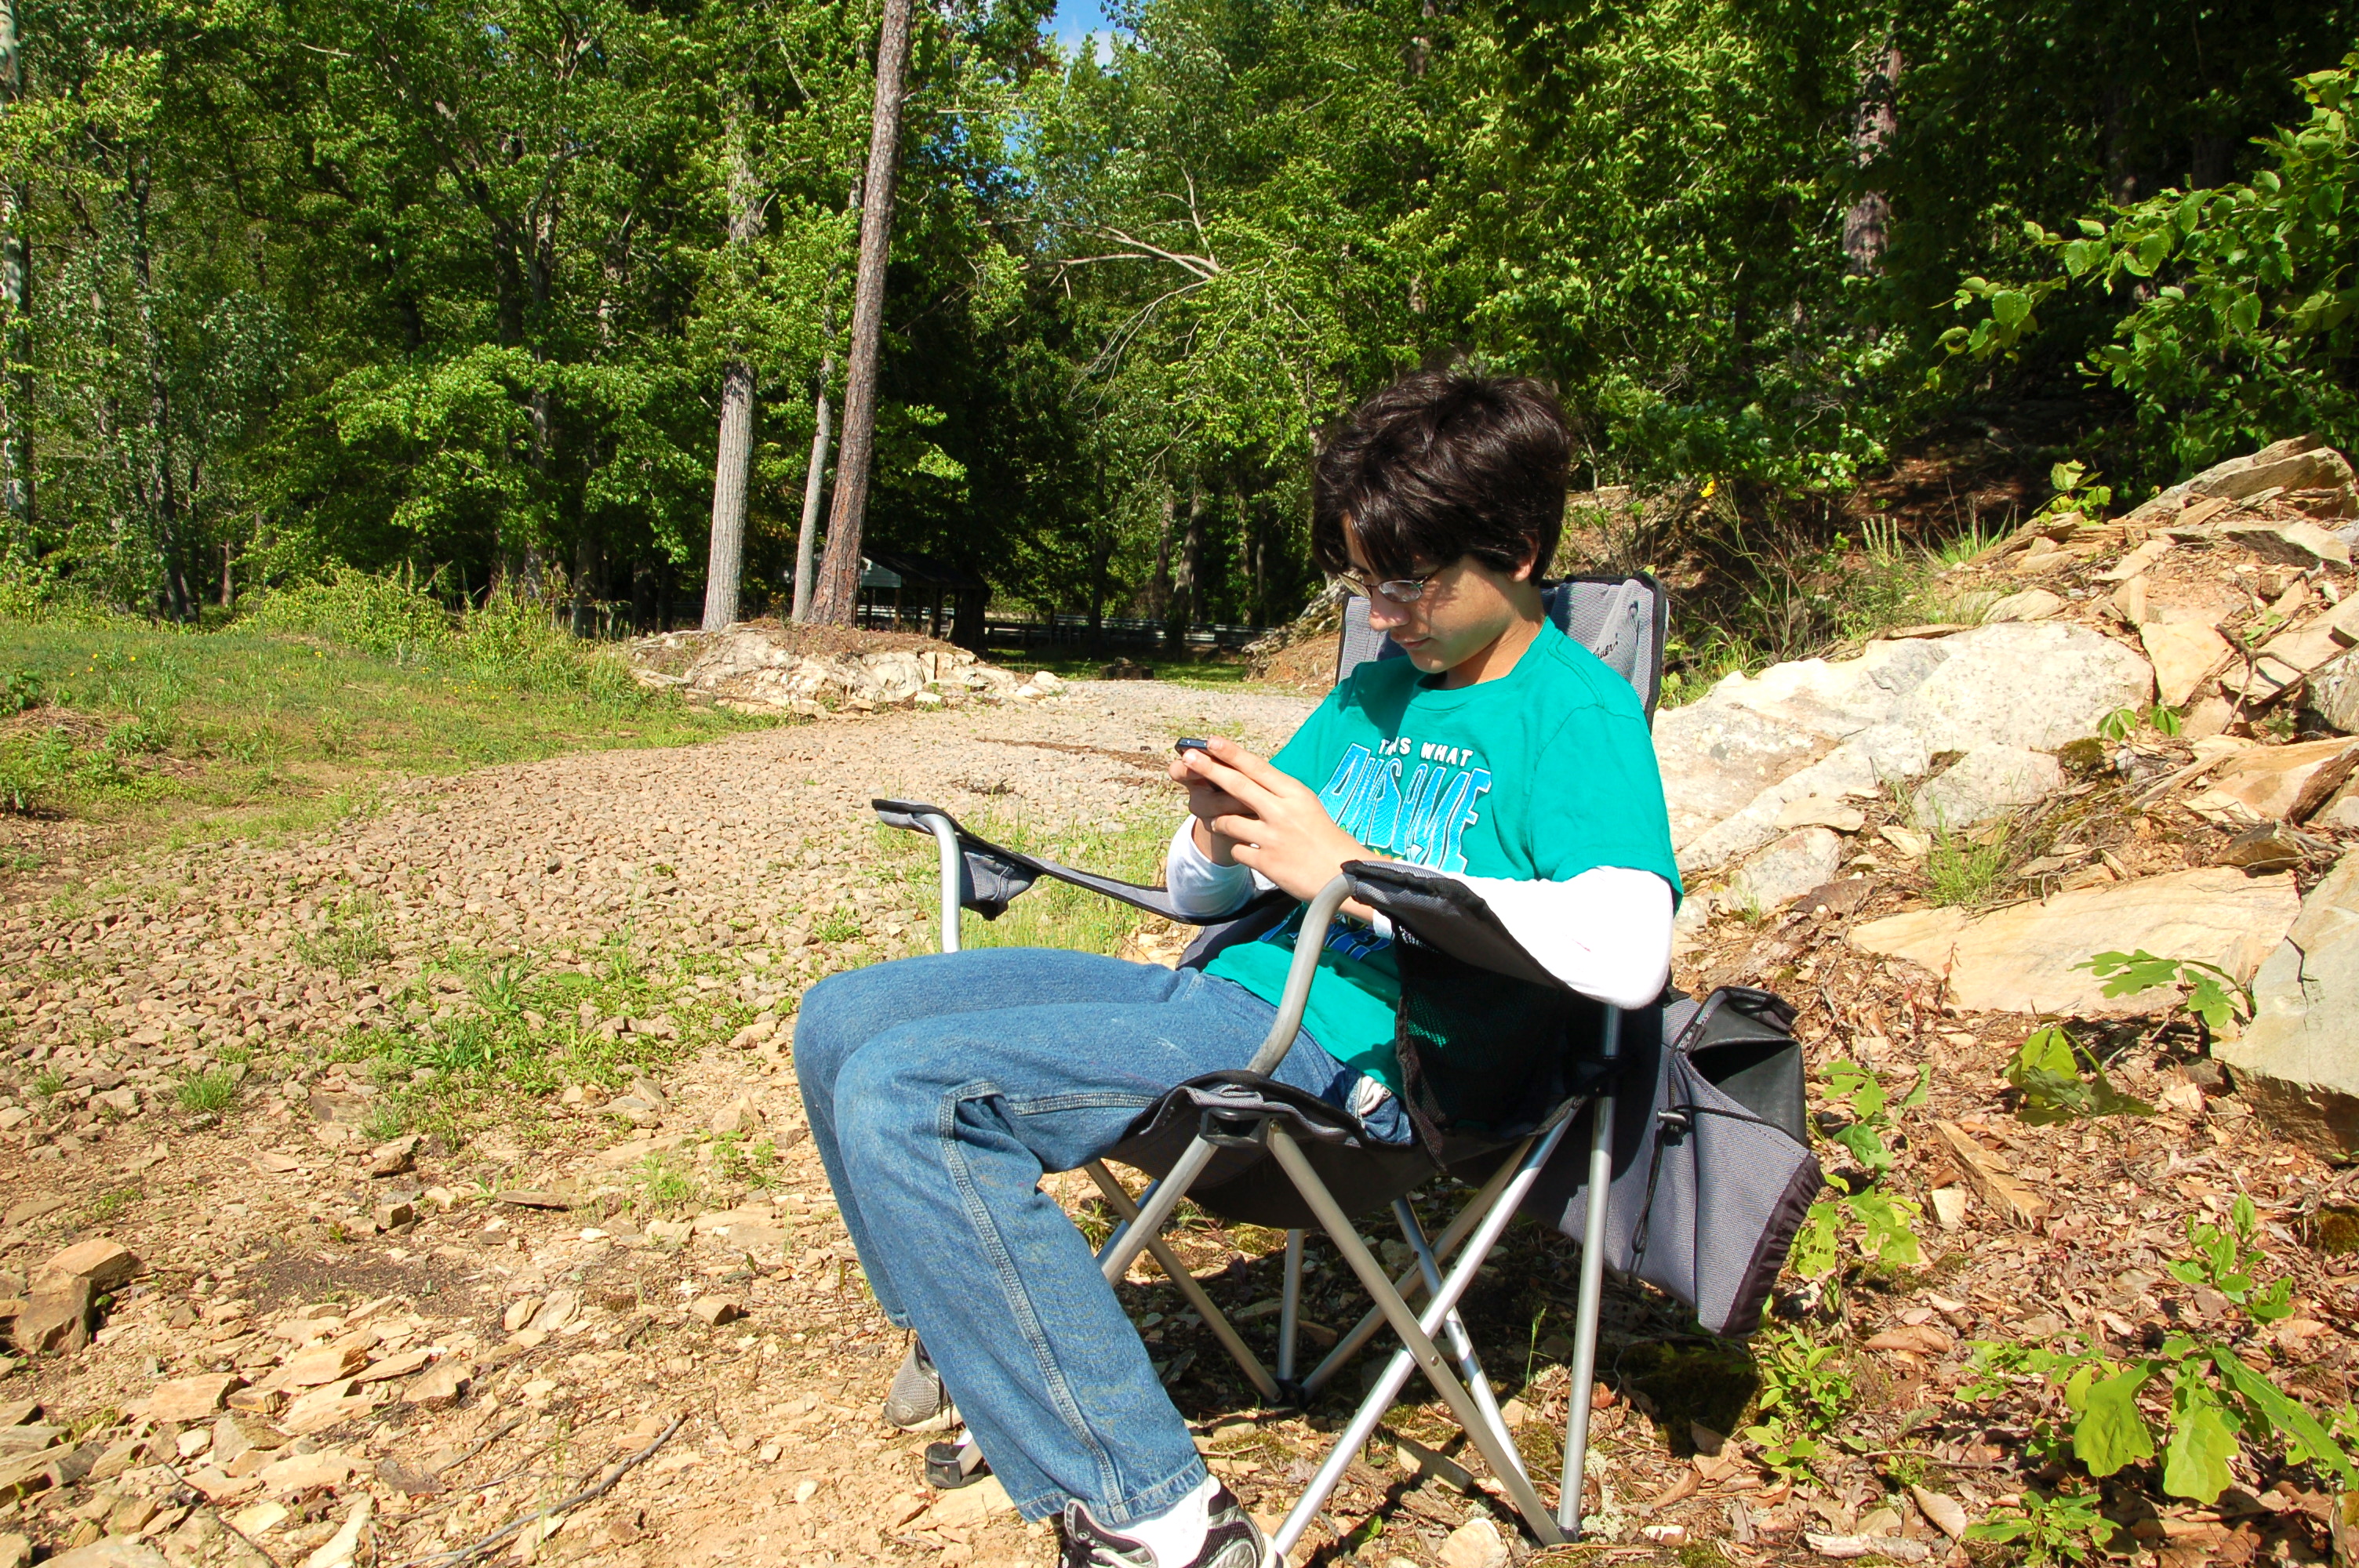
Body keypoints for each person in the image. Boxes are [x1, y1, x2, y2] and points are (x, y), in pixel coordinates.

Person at [795, 368, 1681, 1568]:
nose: (1383, 611)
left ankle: (1158, 1520)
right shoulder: (1372, 696)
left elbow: (1628, 946)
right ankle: (971, 1331)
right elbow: (1202, 894)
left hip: (1364, 1074)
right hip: (1225, 995)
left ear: (1518, 551)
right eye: (1362, 580)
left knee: (914, 1092)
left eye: (1408, 580)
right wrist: (1214, 835)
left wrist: (1354, 873)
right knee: (841, 1019)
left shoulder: (1574, 714)